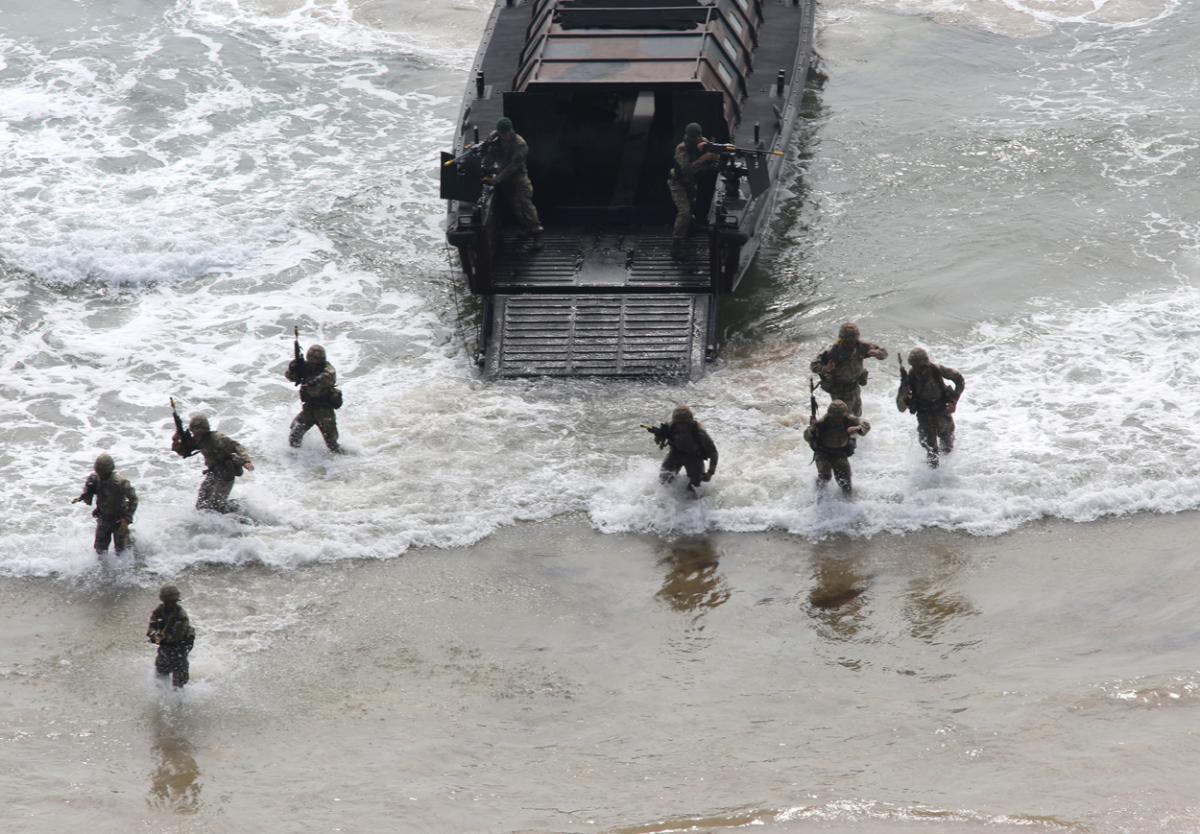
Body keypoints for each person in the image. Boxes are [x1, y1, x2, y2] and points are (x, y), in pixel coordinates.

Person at [483, 116, 543, 251]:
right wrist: (488, 146)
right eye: (500, 133)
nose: (502, 136)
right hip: (504, 175)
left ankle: (537, 233)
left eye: (504, 133)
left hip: (518, 176)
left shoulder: (520, 145)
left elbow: (513, 167)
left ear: (510, 131)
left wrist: (496, 180)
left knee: (525, 203)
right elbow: (492, 152)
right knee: (514, 206)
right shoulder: (497, 135)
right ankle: (526, 228)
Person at [897, 347, 965, 467]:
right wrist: (904, 394)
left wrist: (954, 401)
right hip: (924, 415)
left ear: (927, 362)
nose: (919, 370)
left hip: (942, 411)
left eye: (922, 366)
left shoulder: (937, 370)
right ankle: (933, 479)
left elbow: (959, 380)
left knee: (947, 448)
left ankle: (947, 474)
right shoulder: (909, 378)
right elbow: (901, 408)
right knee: (931, 451)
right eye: (915, 366)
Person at [173, 414, 254, 513]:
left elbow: (237, 446)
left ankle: (239, 508)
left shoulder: (218, 438)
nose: (197, 435)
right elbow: (183, 452)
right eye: (194, 432)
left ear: (206, 430)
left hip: (226, 474)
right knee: (201, 504)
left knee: (217, 505)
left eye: (200, 432)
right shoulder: (196, 440)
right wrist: (176, 440)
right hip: (213, 473)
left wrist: (246, 462)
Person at [810, 322, 888, 417]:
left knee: (857, 414)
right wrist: (825, 368)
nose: (851, 343)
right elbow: (813, 365)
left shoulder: (860, 346)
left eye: (853, 340)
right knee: (843, 418)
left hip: (854, 386)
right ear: (842, 339)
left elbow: (884, 354)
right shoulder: (832, 352)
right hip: (839, 389)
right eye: (848, 341)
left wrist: (878, 353)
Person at [667, 122, 720, 261]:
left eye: (700, 136)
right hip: (678, 183)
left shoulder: (704, 142)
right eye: (696, 137)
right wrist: (703, 158)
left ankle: (690, 227)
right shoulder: (681, 149)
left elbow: (714, 156)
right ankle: (676, 244)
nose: (699, 139)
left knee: (691, 207)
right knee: (684, 211)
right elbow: (687, 170)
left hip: (691, 183)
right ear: (690, 138)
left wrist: (713, 155)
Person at [72, 453, 138, 554]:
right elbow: (90, 490)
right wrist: (83, 497)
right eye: (98, 470)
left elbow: (134, 499)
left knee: (122, 551)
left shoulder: (120, 483)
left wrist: (127, 519)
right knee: (100, 549)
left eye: (102, 471)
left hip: (119, 520)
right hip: (103, 518)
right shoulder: (95, 479)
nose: (100, 474)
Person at [646, 405, 718, 494]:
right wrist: (659, 436)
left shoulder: (699, 433)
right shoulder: (670, 427)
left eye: (684, 423)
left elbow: (713, 453)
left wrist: (710, 472)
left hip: (694, 457)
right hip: (675, 453)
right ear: (674, 421)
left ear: (690, 422)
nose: (681, 427)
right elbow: (658, 441)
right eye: (678, 423)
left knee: (695, 487)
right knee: (664, 480)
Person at [803, 399, 870, 495]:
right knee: (825, 477)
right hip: (823, 453)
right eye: (834, 416)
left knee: (845, 482)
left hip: (840, 453)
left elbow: (866, 424)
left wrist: (858, 428)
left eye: (840, 416)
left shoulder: (848, 419)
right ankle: (818, 498)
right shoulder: (822, 423)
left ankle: (847, 504)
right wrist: (812, 428)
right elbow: (806, 437)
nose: (837, 419)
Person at [286, 343, 342, 452]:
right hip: (309, 409)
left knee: (332, 444)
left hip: (324, 411)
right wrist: (293, 369)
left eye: (316, 358)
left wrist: (312, 381)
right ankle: (296, 459)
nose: (313, 361)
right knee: (295, 435)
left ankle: (347, 460)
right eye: (312, 358)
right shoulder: (306, 367)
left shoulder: (327, 369)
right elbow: (291, 378)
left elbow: (328, 376)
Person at [147, 584, 195, 689]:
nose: (170, 604)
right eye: (168, 601)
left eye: (173, 601)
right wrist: (154, 635)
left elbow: (177, 636)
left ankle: (178, 703)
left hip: (179, 649)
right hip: (165, 649)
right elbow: (151, 627)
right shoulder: (159, 610)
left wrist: (162, 638)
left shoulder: (181, 615)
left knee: (179, 685)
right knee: (160, 680)